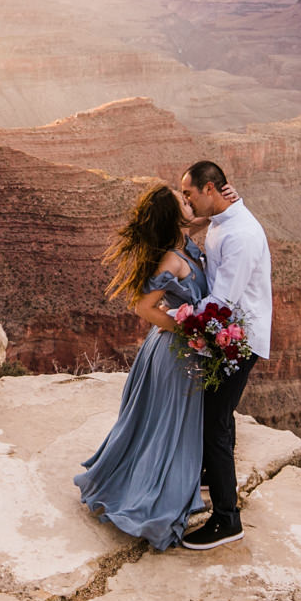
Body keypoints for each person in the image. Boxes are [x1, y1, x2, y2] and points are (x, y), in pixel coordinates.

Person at [74, 185, 209, 551]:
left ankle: (156, 479)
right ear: (174, 216)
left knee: (162, 423)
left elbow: (206, 216)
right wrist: (192, 327)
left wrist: (228, 202)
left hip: (176, 349)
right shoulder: (171, 259)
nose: (189, 201)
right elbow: (144, 309)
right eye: (183, 200)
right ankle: (151, 495)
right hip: (173, 351)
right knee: (166, 426)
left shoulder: (182, 240)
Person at [177, 160, 272, 550]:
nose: (186, 200)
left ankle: (227, 519)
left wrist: (171, 316)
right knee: (216, 416)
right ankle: (211, 476)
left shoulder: (241, 235)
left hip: (239, 339)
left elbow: (222, 302)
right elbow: (202, 223)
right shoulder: (222, 218)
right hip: (225, 335)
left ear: (211, 189)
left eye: (189, 194)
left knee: (214, 423)